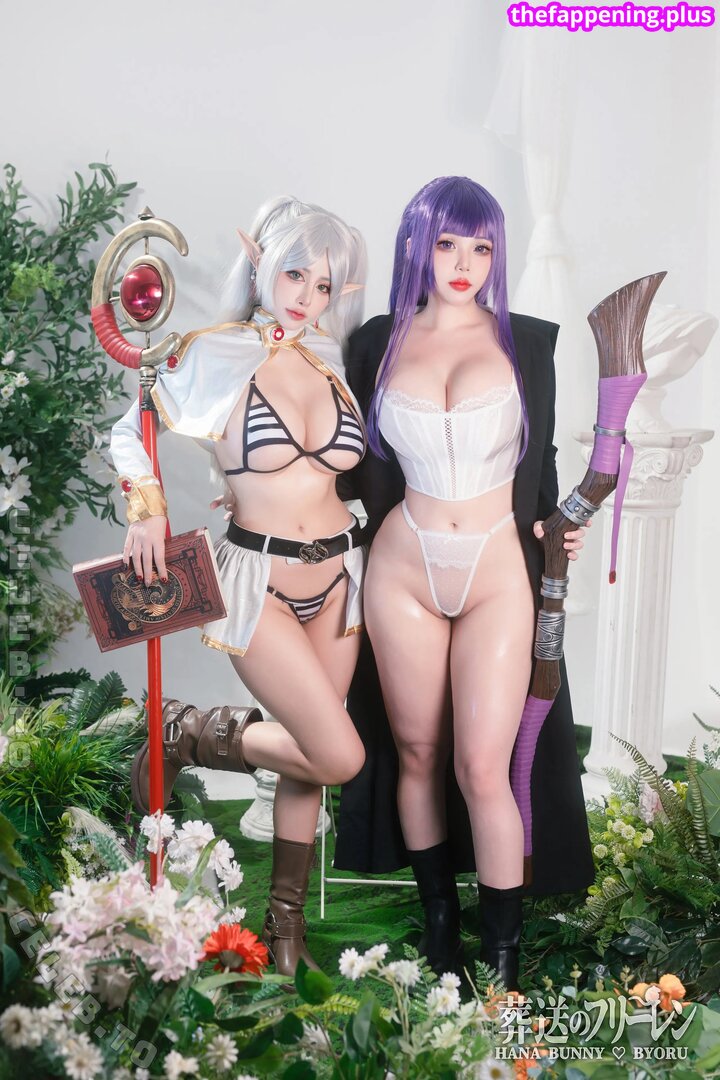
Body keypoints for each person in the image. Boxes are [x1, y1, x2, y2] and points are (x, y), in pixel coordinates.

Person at [334, 176, 595, 991]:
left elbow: (542, 459)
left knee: (485, 766)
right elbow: (344, 451)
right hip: (403, 565)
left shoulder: (527, 342)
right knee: (417, 752)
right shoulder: (376, 343)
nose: (463, 263)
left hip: (494, 569)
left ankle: (502, 959)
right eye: (447, 243)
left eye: (481, 247)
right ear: (418, 244)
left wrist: (556, 522)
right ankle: (441, 925)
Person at [110, 196, 368, 976]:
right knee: (338, 755)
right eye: (295, 274)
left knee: (306, 759)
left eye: (324, 285)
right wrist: (149, 507)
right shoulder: (212, 353)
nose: (306, 297)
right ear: (259, 261)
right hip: (261, 581)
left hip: (341, 578)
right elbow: (130, 428)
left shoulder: (333, 360)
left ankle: (285, 933)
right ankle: (183, 732)